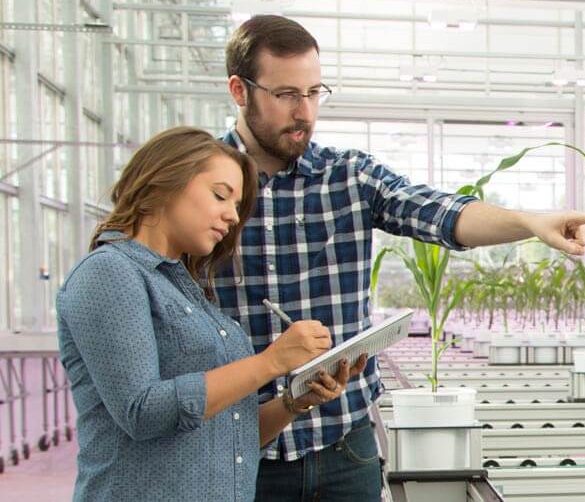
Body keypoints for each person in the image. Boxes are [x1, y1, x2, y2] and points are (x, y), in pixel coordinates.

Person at [217, 15, 585, 501]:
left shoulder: (347, 176)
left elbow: (440, 213)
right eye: (286, 95)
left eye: (315, 92)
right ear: (240, 90)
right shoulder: (202, 184)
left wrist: (528, 222)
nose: (305, 111)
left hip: (344, 444)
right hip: (240, 452)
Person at [57, 126, 367, 501]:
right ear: (164, 182)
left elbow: (228, 436)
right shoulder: (109, 272)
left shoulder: (185, 287)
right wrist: (271, 362)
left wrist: (294, 402)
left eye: (237, 206)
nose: (233, 217)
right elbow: (143, 411)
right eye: (221, 196)